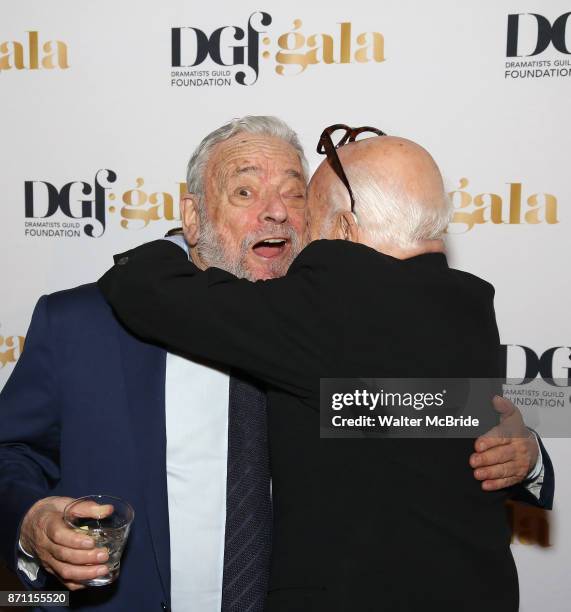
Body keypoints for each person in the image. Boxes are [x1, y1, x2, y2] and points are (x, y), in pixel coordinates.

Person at [0, 118, 552, 612]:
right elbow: (11, 450)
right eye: (244, 190)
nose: (277, 212)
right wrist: (29, 523)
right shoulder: (80, 324)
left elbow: (418, 422)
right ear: (192, 216)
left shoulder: (344, 324)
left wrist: (519, 448)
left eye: (297, 197)